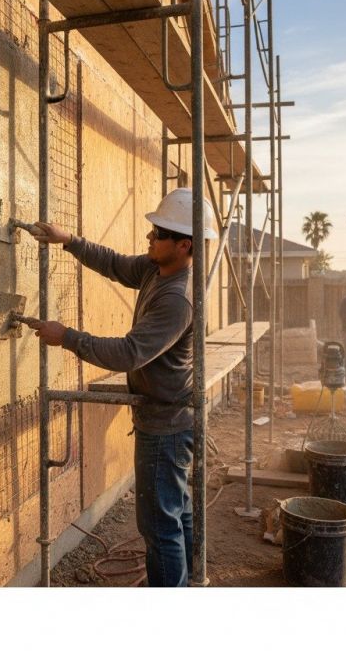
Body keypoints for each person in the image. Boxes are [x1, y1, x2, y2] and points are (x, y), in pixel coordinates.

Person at [25, 187, 217, 587]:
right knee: (176, 511)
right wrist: (71, 242)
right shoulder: (155, 268)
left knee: (159, 526)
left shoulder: (179, 298)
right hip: (165, 416)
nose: (150, 238)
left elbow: (129, 354)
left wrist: (68, 338)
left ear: (184, 246)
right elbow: (113, 264)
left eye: (159, 233)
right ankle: (188, 587)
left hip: (166, 425)